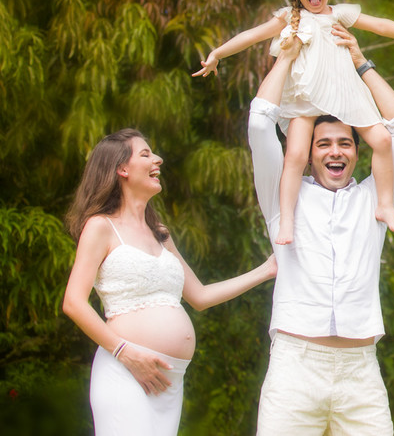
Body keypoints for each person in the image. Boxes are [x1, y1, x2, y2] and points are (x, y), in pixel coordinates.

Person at [193, 0, 394, 244]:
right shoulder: (289, 17)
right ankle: (286, 220)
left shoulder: (339, 14)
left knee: (383, 140)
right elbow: (251, 35)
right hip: (305, 98)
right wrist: (217, 54)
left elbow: (380, 24)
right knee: (297, 156)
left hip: (345, 92)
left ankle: (385, 205)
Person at [250, 26, 394, 435]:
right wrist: (288, 58)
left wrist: (358, 63)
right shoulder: (282, 198)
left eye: (345, 143)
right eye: (323, 144)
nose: (335, 151)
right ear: (307, 155)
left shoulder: (375, 198)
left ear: (359, 152)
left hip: (360, 374)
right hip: (295, 367)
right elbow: (259, 124)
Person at [62, 130, 277, 436]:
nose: (158, 159)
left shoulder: (159, 231)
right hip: (126, 373)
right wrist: (125, 352)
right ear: (122, 169)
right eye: (145, 154)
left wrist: (266, 270)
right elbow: (73, 302)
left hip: (169, 381)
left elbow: (200, 296)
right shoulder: (100, 227)